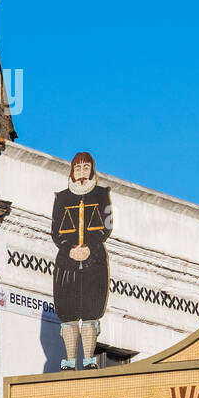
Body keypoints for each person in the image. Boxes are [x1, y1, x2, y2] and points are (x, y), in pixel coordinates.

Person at [52, 151, 112, 369]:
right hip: (67, 261)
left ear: (92, 170)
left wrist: (90, 247)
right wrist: (69, 249)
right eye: (78, 168)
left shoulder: (101, 194)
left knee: (91, 308)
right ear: (72, 171)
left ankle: (88, 358)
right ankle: (69, 360)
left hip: (94, 259)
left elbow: (106, 226)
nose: (82, 173)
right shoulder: (62, 198)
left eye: (86, 168)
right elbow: (55, 231)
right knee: (67, 310)